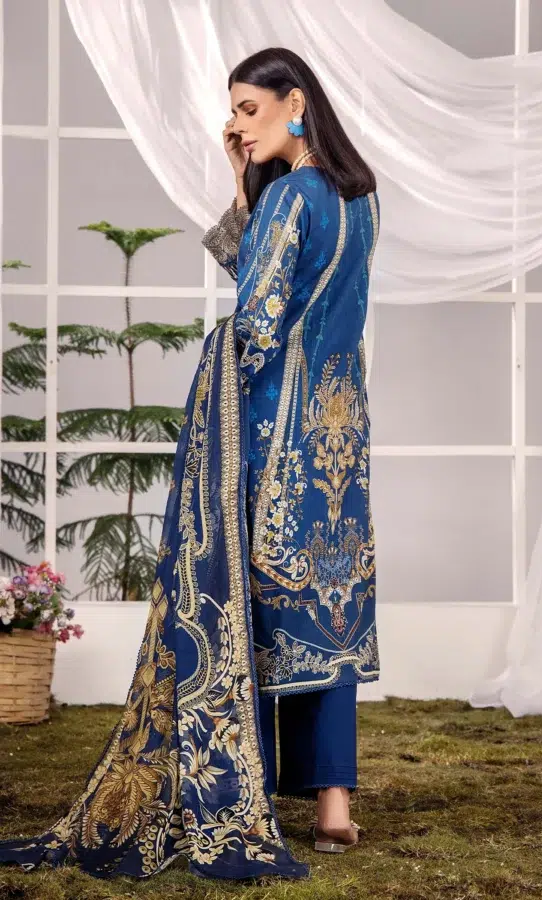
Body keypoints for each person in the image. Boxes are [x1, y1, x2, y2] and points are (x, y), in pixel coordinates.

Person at [0, 47, 380, 883]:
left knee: (251, 608)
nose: (235, 125)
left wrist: (220, 373)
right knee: (327, 605)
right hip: (337, 436)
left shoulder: (290, 197)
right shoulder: (360, 197)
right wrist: (243, 184)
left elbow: (259, 314)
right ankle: (333, 806)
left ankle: (246, 795)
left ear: (296, 104)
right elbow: (305, 292)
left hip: (270, 438)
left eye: (248, 109)